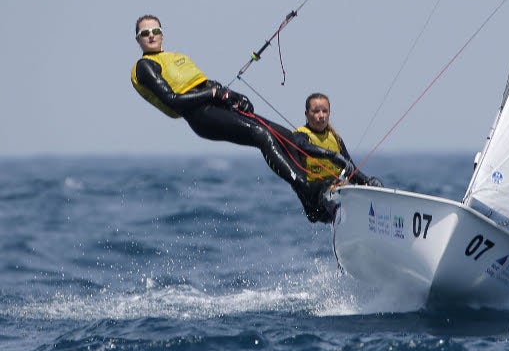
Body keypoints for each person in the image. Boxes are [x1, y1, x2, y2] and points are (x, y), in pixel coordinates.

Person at [130, 14, 376, 223]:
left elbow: (204, 84)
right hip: (201, 116)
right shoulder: (145, 66)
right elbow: (174, 100)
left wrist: (231, 96)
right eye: (145, 33)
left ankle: (313, 204)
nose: (151, 35)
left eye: (155, 30)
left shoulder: (175, 57)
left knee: (286, 137)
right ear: (138, 39)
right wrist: (215, 93)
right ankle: (306, 188)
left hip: (216, 107)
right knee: (261, 135)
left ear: (162, 33)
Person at [292, 92, 383, 221]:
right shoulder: (299, 135)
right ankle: (341, 216)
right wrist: (332, 155)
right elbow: (301, 146)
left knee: (365, 187)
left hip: (336, 193)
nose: (321, 116)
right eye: (316, 111)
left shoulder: (335, 138)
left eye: (325, 111)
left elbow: (351, 170)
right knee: (331, 189)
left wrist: (368, 181)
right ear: (307, 114)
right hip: (315, 201)